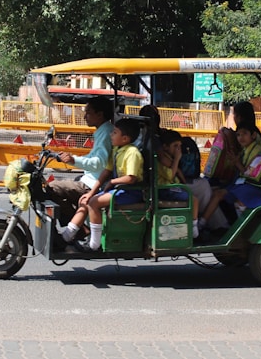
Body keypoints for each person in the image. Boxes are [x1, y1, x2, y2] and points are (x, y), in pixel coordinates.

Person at [69, 118, 144, 251]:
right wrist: (91, 192)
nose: (111, 135)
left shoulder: (132, 152)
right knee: (87, 200)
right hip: (119, 189)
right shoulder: (116, 150)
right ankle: (67, 235)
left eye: (114, 133)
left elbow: (131, 178)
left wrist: (112, 182)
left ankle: (94, 244)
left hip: (131, 192)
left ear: (125, 138)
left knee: (94, 203)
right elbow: (106, 171)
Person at [47, 96, 114, 237]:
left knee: (52, 188)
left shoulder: (106, 133)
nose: (84, 117)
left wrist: (73, 161)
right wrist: (73, 159)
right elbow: (92, 158)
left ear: (100, 114)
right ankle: (78, 226)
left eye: (88, 113)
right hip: (89, 178)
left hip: (92, 183)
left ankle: (77, 228)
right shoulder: (102, 131)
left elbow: (98, 163)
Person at [198, 122, 261, 229]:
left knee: (218, 194)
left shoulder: (256, 150)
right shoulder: (244, 149)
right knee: (213, 191)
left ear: (253, 135)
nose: (241, 137)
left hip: (250, 184)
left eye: (244, 134)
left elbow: (249, 173)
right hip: (241, 182)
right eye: (238, 135)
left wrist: (236, 163)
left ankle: (201, 224)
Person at [157, 130, 200, 239]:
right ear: (165, 147)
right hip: (165, 189)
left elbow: (178, 172)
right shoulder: (162, 159)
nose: (178, 150)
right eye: (175, 146)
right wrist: (177, 159)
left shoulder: (167, 157)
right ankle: (194, 228)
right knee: (194, 200)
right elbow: (171, 175)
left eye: (179, 146)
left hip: (173, 187)